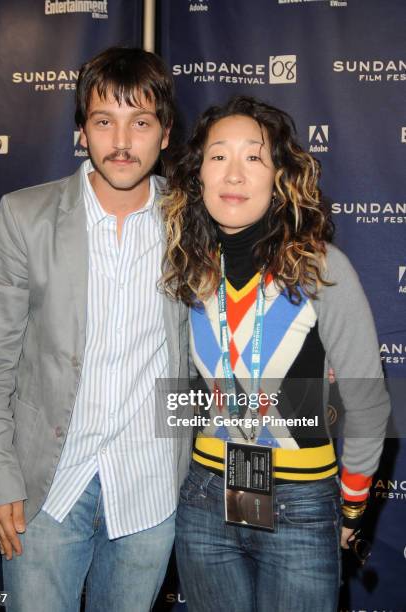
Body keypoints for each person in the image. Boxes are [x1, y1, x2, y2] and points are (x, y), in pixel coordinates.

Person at [0, 47, 191, 612]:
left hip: (150, 487)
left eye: (140, 122)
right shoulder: (25, 216)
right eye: (103, 120)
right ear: (81, 132)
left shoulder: (193, 221)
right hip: (44, 491)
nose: (121, 140)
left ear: (164, 135)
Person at [161, 95, 390, 611]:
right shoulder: (186, 274)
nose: (234, 174)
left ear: (280, 176)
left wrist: (352, 510)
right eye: (218, 156)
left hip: (302, 504)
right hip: (203, 501)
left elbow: (368, 401)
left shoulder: (322, 271)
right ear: (198, 175)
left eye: (254, 157)